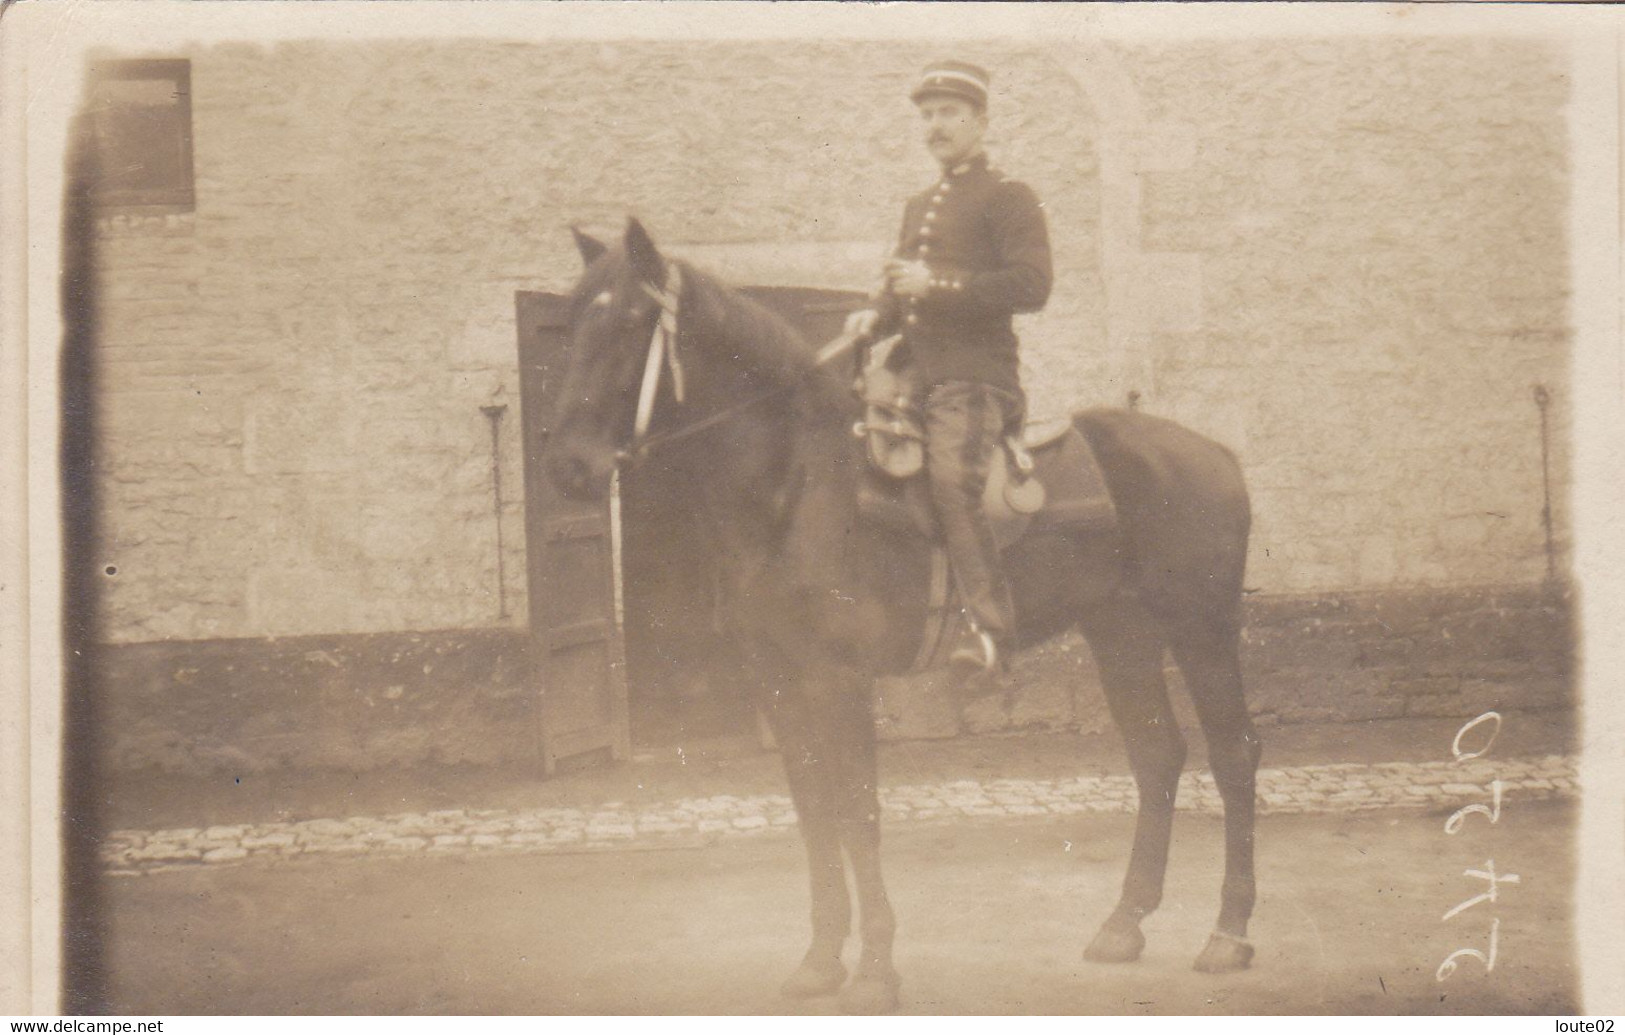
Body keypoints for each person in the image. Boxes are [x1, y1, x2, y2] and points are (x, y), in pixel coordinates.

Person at [845, 59, 1053, 673]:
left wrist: (932, 282)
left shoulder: (1009, 197)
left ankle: (991, 632)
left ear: (980, 121)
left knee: (950, 484)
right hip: (914, 379)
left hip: (975, 377)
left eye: (948, 114)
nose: (935, 126)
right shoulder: (919, 204)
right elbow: (904, 291)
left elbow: (1032, 285)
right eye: (927, 115)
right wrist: (874, 315)